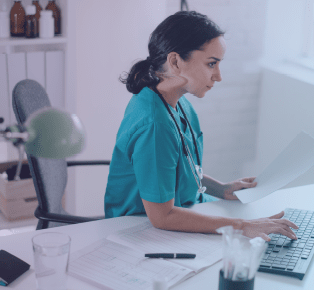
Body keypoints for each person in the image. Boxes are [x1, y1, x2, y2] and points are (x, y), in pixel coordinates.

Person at [104, 11, 297, 241]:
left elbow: (180, 169)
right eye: (211, 64)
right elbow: (162, 217)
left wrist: (222, 189)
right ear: (175, 62)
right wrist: (243, 227)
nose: (218, 76)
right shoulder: (155, 125)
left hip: (186, 209)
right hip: (141, 229)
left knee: (260, 221)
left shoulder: (178, 103)